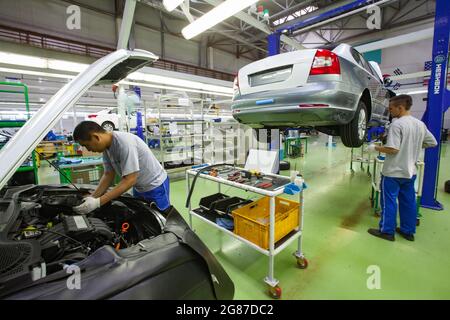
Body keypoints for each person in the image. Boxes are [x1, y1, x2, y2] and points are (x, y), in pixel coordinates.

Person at [367, 94, 437, 242]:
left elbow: (392, 149)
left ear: (400, 107)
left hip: (393, 172)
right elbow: (432, 142)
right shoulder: (420, 124)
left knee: (389, 202)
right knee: (408, 201)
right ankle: (408, 231)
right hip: (410, 172)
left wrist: (376, 148)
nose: (390, 111)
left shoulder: (397, 124)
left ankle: (387, 231)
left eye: (391, 108)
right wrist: (414, 146)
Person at [72, 121, 170, 214]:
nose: (88, 149)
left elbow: (129, 180)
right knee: (143, 217)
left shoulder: (124, 143)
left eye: (87, 145)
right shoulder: (107, 148)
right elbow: (108, 174)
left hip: (156, 185)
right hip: (138, 187)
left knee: (160, 219)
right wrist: (93, 197)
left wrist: (98, 202)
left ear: (96, 137)